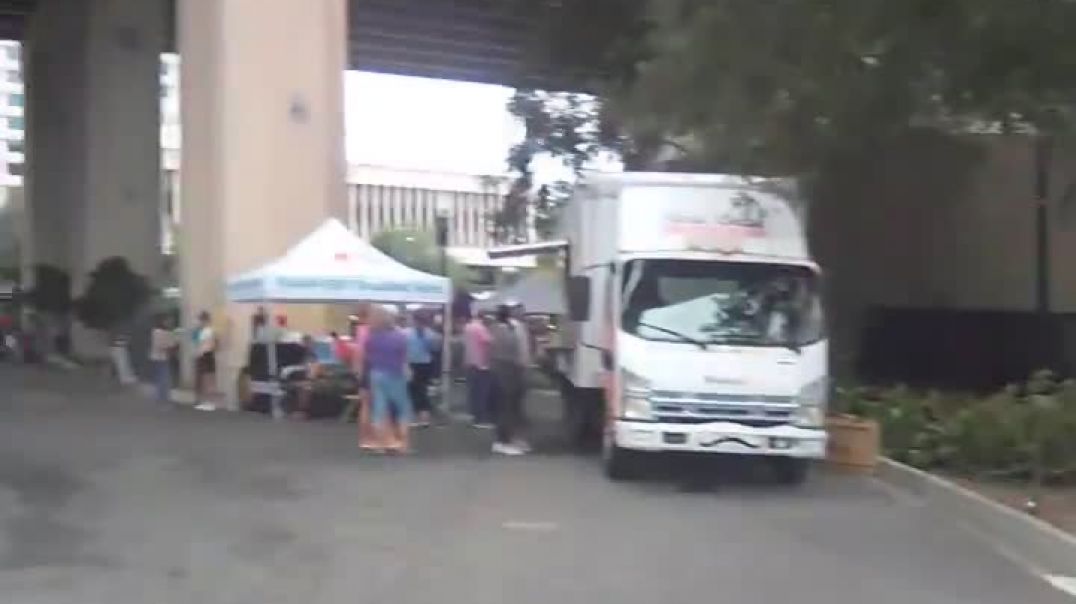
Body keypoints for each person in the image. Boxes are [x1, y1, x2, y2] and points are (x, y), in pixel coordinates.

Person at [364, 306, 413, 453]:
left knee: (379, 409)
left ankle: (380, 445)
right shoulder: (400, 337)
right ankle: (403, 445)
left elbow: (368, 357)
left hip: (376, 374)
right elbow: (404, 359)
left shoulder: (371, 338)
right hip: (395, 374)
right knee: (403, 409)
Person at [490, 304, 528, 455]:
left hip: (507, 371)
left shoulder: (501, 329)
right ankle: (502, 441)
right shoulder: (503, 330)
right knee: (506, 407)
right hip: (506, 371)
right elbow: (511, 352)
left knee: (509, 407)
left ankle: (507, 439)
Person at [405, 311, 440, 427]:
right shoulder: (432, 334)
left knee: (410, 391)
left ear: (414, 320)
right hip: (425, 365)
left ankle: (412, 418)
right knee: (422, 391)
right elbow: (435, 350)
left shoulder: (406, 333)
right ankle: (424, 418)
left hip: (410, 364)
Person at [463, 311, 494, 428]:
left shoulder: (468, 327)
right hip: (482, 365)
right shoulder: (481, 329)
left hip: (470, 363)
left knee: (473, 392)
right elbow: (488, 342)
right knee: (482, 393)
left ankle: (474, 415)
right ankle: (480, 419)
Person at [149, 314, 178, 405]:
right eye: (168, 321)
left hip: (160, 358)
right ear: (163, 321)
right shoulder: (159, 332)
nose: (170, 323)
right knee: (164, 379)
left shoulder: (162, 332)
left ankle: (160, 398)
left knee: (161, 379)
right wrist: (172, 345)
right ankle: (163, 399)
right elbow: (162, 345)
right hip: (160, 358)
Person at [193, 310, 218, 411]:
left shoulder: (206, 331)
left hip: (205, 355)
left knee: (207, 379)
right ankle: (209, 402)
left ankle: (209, 402)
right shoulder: (210, 330)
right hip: (208, 355)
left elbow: (200, 343)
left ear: (204, 320)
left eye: (200, 320)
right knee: (209, 379)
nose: (199, 322)